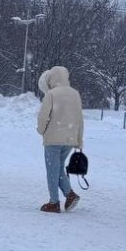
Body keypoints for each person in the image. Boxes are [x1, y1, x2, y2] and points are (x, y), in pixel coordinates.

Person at [36, 65, 84, 212]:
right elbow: (80, 119)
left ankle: (54, 202)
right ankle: (70, 195)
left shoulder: (51, 94)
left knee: (52, 170)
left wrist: (41, 130)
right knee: (58, 168)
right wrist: (79, 140)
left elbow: (43, 116)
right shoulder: (75, 94)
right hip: (69, 139)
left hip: (53, 139)